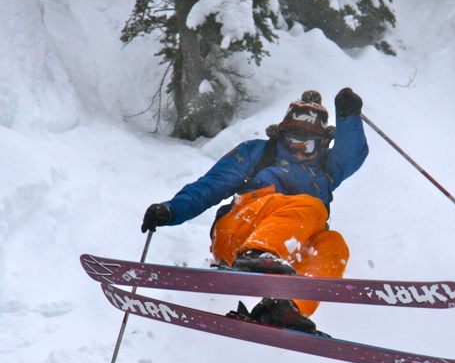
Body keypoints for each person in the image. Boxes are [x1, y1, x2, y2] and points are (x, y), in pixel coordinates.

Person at [141, 88, 367, 335]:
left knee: (334, 244)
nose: (298, 150)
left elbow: (352, 154)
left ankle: (285, 307)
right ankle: (257, 253)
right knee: (311, 205)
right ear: (282, 136)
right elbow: (210, 186)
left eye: (308, 144)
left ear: (322, 144)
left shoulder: (326, 167)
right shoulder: (257, 153)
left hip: (286, 256)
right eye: (292, 141)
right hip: (238, 235)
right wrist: (171, 210)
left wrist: (348, 117)